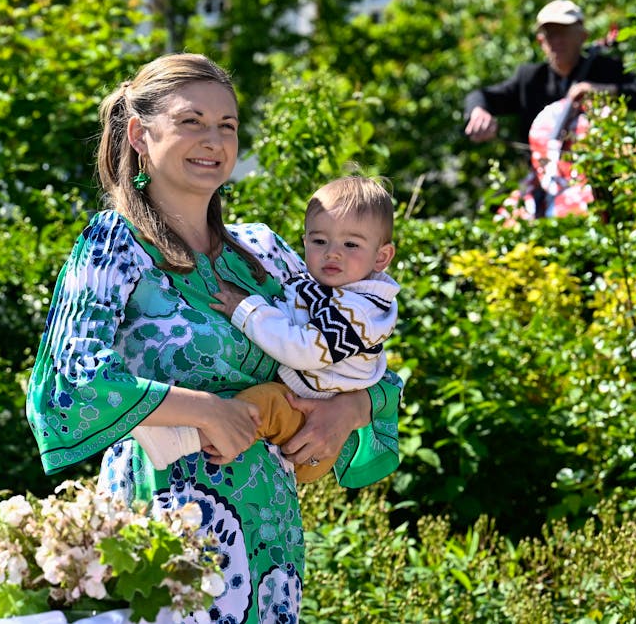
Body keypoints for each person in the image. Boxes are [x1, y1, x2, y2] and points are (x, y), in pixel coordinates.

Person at [25, 53, 404, 623]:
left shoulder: (265, 252)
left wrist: (350, 409)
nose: (214, 139)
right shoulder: (112, 245)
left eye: (227, 125)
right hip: (160, 536)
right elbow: (67, 384)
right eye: (191, 121)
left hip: (269, 540)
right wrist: (206, 411)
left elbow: (359, 355)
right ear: (140, 135)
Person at [131, 175, 400, 485]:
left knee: (266, 405)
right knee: (268, 402)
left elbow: (307, 348)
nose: (332, 253)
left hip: (307, 424)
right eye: (319, 241)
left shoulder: (360, 308)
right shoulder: (120, 244)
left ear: (381, 257)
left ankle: (184, 440)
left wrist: (247, 310)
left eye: (350, 244)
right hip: (176, 494)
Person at [463, 0, 636, 217]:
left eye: (563, 33)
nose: (557, 41)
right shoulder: (530, 79)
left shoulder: (605, 69)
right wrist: (479, 112)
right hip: (543, 185)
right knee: (493, 211)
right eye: (550, 35)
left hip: (598, 184)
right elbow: (481, 96)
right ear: (541, 42)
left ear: (582, 36)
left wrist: (603, 90)